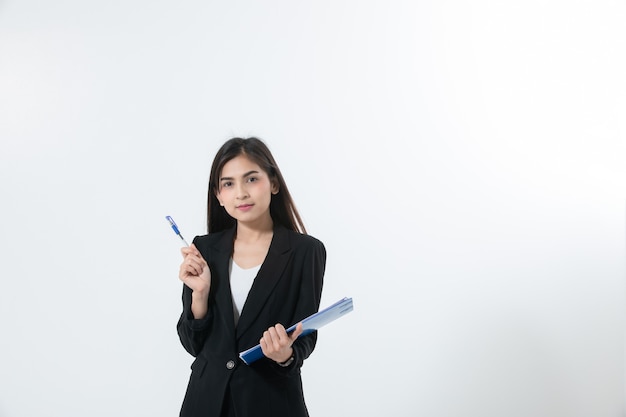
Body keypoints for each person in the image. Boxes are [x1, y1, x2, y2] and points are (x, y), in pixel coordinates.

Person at [176, 137, 326, 417]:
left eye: (251, 179)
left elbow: (306, 338)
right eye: (228, 184)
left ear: (274, 183)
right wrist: (200, 295)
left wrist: (285, 356)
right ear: (218, 196)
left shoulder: (306, 251)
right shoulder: (205, 249)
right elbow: (192, 345)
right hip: (205, 403)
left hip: (272, 403)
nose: (241, 193)